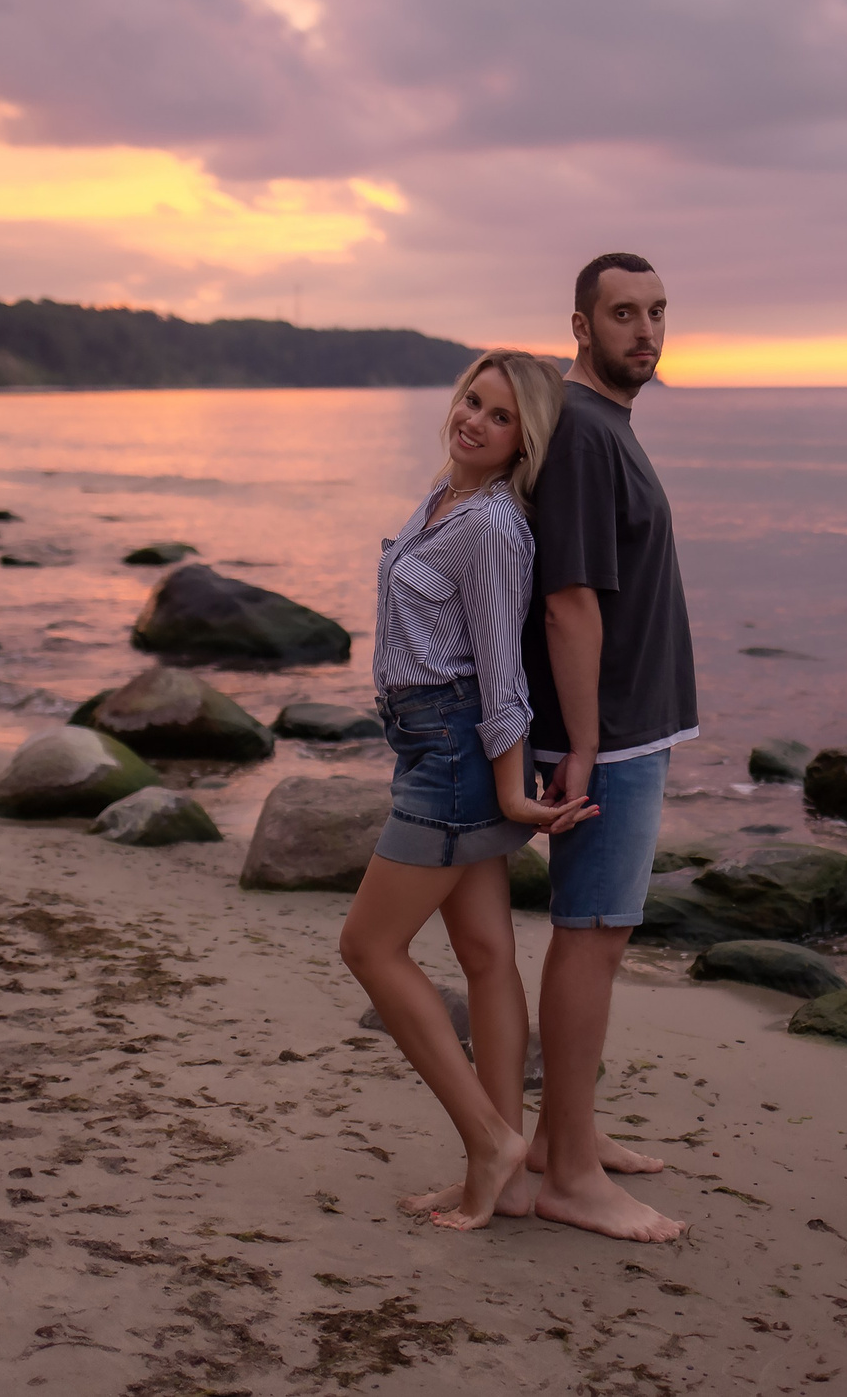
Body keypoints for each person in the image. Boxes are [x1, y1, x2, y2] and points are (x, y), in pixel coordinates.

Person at [337, 348, 597, 1230]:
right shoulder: (442, 498)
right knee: (486, 955)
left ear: (524, 442)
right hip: (426, 742)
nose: (474, 419)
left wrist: (510, 790)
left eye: (499, 416)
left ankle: (490, 1141)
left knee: (369, 948)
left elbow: (501, 672)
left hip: (452, 750)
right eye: (471, 400)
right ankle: (508, 1173)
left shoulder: (492, 527)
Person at [521, 252, 696, 1243]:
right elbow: (569, 600)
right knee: (590, 935)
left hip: (627, 725)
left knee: (599, 935)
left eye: (658, 311)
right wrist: (582, 744)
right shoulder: (584, 430)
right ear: (581, 325)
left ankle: (562, 1138)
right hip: (609, 738)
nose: (646, 330)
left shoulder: (603, 424)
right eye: (623, 313)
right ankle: (570, 1175)